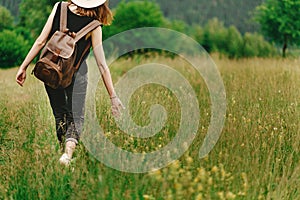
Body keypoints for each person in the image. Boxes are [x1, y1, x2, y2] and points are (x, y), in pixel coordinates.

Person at [15, 0, 124, 166]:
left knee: (60, 114)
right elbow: (102, 64)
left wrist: (23, 67)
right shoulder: (94, 26)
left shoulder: (59, 7)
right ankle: (67, 155)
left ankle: (64, 154)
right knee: (76, 117)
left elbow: (40, 41)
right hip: (77, 75)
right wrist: (113, 96)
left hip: (51, 71)